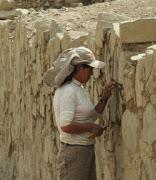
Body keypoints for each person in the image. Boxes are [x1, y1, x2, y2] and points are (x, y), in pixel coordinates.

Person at [43, 47, 116, 180]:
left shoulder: (78, 88)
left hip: (83, 151)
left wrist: (104, 98)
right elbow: (65, 125)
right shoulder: (68, 91)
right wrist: (90, 127)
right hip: (74, 153)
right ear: (79, 68)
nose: (92, 73)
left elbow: (91, 116)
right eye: (90, 69)